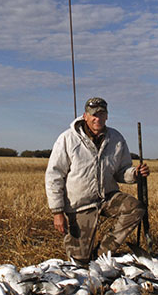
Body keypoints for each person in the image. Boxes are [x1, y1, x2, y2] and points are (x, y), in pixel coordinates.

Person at [45, 97, 150, 262]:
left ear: (107, 116)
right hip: (80, 204)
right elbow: (54, 175)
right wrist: (57, 211)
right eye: (93, 114)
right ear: (85, 116)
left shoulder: (116, 138)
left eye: (102, 114)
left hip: (107, 197)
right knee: (79, 261)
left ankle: (102, 253)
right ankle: (86, 255)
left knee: (135, 208)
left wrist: (134, 173)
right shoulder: (67, 139)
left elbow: (121, 171)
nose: (97, 118)